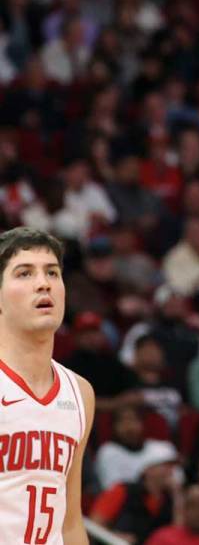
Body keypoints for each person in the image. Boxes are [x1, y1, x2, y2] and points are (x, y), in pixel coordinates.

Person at [0, 226, 95, 545]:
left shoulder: (80, 393)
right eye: (24, 274)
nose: (43, 283)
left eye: (52, 273)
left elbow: (70, 523)